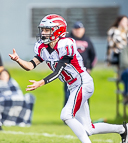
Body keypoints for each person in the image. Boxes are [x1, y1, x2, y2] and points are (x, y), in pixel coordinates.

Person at [9, 14, 128, 143]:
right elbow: (30, 66)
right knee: (89, 129)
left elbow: (58, 69)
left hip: (83, 82)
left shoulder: (66, 44)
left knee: (66, 115)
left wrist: (41, 82)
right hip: (73, 86)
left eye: (47, 30)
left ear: (58, 30)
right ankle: (123, 129)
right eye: (43, 29)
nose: (43, 33)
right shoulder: (43, 48)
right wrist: (18, 60)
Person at [63, 21, 97, 106]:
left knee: (84, 95)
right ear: (72, 30)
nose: (78, 31)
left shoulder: (87, 40)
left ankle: (84, 117)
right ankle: (68, 116)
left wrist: (90, 68)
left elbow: (93, 56)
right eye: (76, 29)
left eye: (80, 29)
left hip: (83, 72)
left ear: (83, 30)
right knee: (69, 95)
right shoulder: (67, 39)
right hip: (69, 72)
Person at [107, 15, 128, 104]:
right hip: (118, 56)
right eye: (123, 21)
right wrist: (108, 59)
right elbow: (110, 46)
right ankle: (126, 95)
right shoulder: (114, 31)